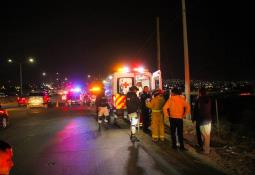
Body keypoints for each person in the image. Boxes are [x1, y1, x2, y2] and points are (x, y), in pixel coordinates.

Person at [193, 88, 212, 154]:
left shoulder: (199, 100)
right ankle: (206, 148)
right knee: (208, 135)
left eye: (198, 92)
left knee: (204, 136)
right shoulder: (208, 99)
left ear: (200, 93)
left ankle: (206, 150)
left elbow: (197, 110)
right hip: (208, 119)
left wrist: (194, 118)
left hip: (202, 120)